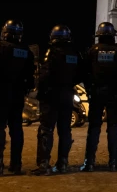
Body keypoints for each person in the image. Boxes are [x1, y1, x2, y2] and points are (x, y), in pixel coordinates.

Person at [0, 20, 35, 176]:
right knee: (16, 130)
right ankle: (16, 165)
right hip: (18, 95)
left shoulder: (1, 47)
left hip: (1, 94)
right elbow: (31, 77)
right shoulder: (27, 51)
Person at [31, 25, 85, 175]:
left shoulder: (52, 52)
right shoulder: (75, 53)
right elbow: (80, 74)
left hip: (51, 96)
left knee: (46, 130)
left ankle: (44, 164)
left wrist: (40, 91)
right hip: (67, 94)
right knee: (65, 130)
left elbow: (45, 75)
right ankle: (63, 163)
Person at [81, 22, 117, 172]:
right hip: (114, 93)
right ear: (113, 36)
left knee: (94, 127)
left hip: (96, 93)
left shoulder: (92, 51)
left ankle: (89, 162)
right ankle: (114, 162)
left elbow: (85, 73)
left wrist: (89, 90)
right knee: (113, 127)